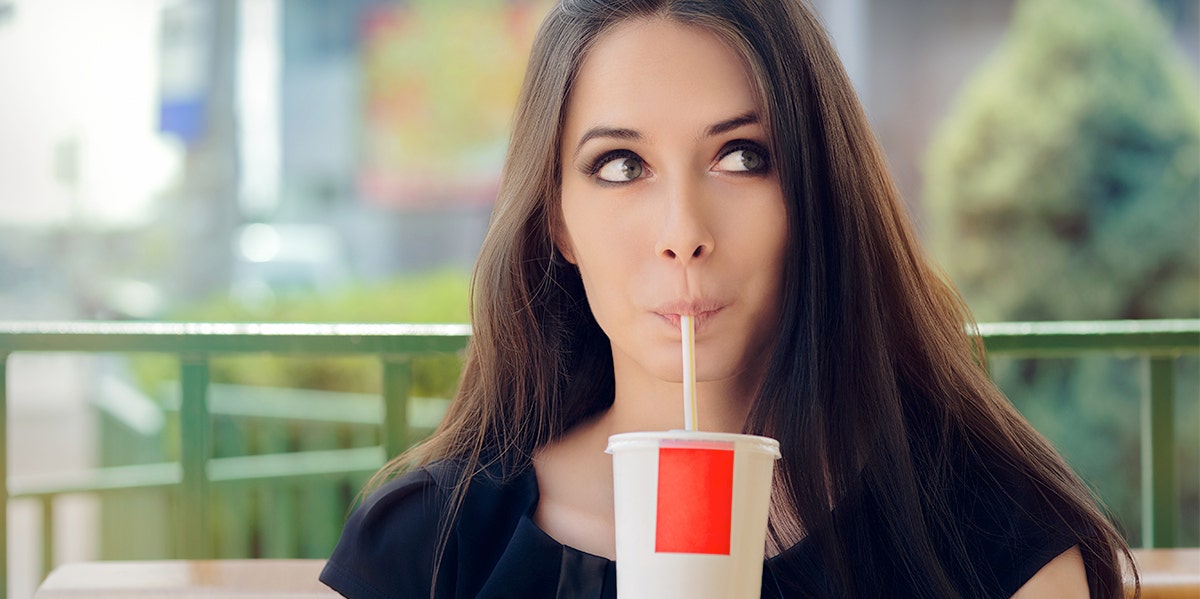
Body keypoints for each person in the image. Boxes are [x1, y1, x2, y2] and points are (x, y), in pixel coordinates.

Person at [321, 1, 1136, 597]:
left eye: (742, 156)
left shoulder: (986, 536)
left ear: (817, 193)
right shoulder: (430, 543)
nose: (683, 231)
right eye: (619, 165)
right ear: (556, 220)